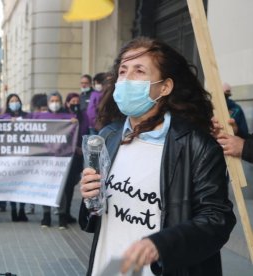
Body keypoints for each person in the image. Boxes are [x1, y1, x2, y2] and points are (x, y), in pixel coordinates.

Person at [79, 37, 236, 276]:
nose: (127, 78)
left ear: (165, 87)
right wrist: (89, 197)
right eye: (123, 71)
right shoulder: (108, 137)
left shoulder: (196, 145)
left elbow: (217, 220)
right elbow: (94, 216)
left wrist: (160, 245)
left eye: (139, 70)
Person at [32, 91, 76, 228]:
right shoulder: (39, 117)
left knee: (60, 188)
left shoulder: (68, 117)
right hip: (45, 158)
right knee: (45, 186)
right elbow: (29, 128)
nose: (55, 103)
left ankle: (62, 216)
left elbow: (72, 136)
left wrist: (74, 122)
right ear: (48, 102)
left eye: (57, 100)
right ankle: (46, 216)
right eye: (52, 100)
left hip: (61, 159)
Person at [56, 92, 89, 229]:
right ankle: (61, 214)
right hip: (63, 157)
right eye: (72, 101)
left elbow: (86, 132)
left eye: (77, 101)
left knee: (71, 185)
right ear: (67, 103)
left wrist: (81, 148)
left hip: (77, 157)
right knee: (63, 187)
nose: (75, 103)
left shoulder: (83, 115)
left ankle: (68, 212)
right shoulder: (63, 115)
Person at [0, 94, 30, 222]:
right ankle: (13, 209)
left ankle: (22, 209)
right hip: (9, 155)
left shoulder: (27, 116)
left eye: (16, 100)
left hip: (24, 154)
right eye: (12, 101)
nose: (15, 103)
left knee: (22, 182)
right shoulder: (3, 117)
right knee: (12, 182)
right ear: (8, 103)